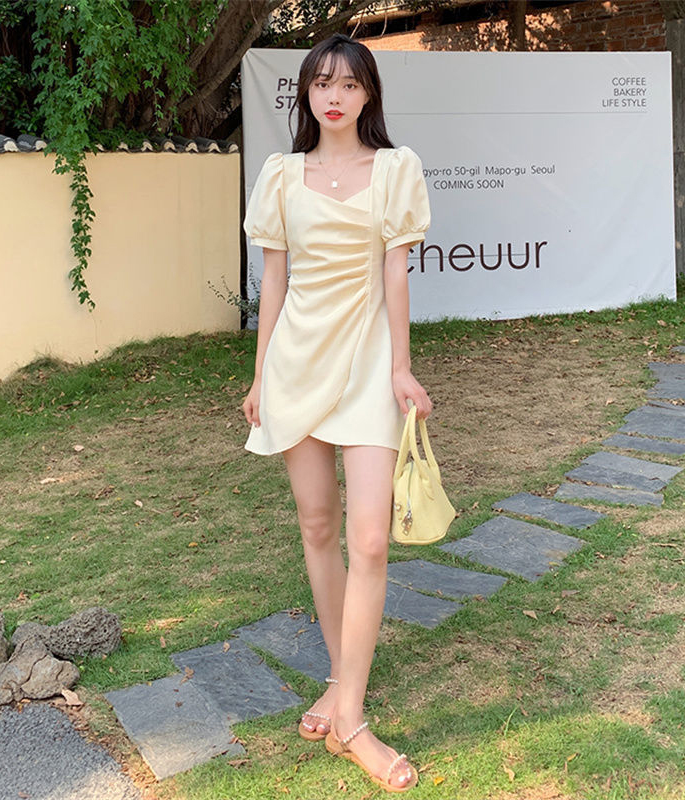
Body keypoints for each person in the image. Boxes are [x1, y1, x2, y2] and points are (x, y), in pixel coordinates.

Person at [241, 32, 431, 793]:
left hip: (368, 366)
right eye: (321, 82)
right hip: (296, 365)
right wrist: (260, 376)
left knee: (371, 539)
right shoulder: (282, 175)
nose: (334, 96)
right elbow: (274, 283)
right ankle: (339, 682)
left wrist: (402, 368)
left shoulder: (395, 169)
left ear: (368, 94)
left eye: (349, 84)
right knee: (318, 528)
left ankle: (349, 719)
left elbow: (397, 275)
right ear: (305, 94)